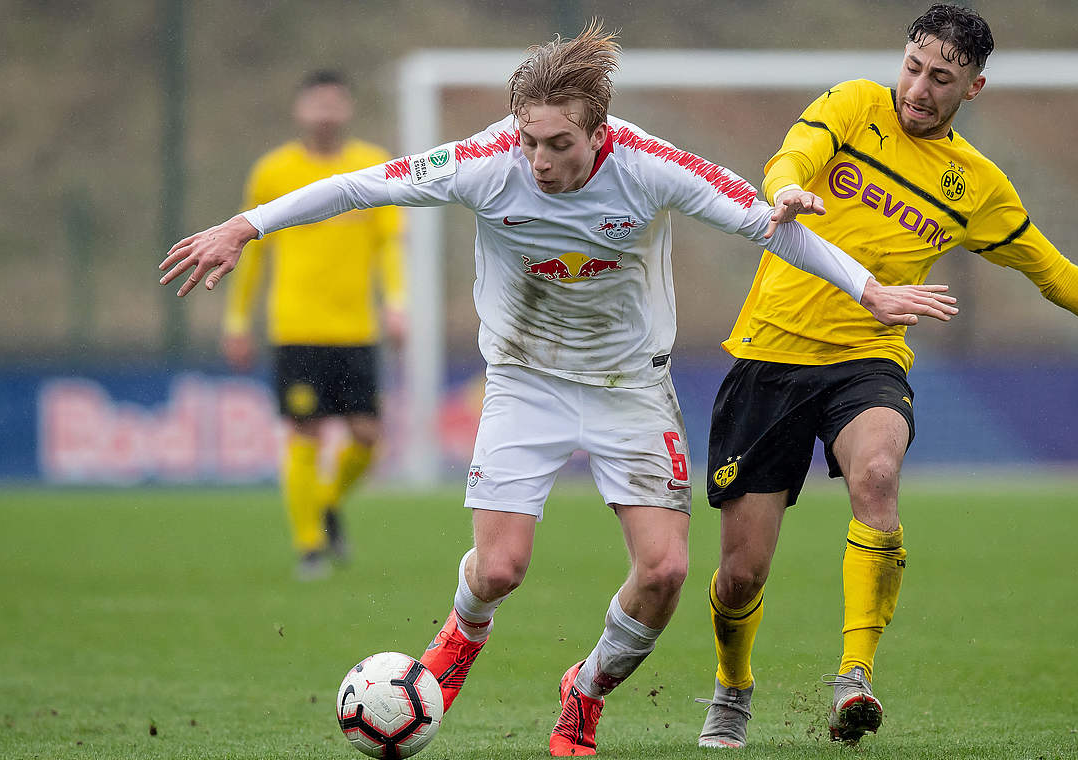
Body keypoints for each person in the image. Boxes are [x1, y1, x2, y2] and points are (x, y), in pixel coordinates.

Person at [159, 22, 958, 757]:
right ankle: (450, 655)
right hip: (524, 381)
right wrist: (246, 225)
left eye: (558, 144)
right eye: (528, 140)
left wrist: (867, 290)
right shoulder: (486, 162)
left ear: (600, 133)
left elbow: (767, 223)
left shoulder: (651, 167)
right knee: (500, 568)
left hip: (630, 388)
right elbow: (364, 186)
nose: (539, 161)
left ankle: (587, 691)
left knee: (667, 573)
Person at [696, 3, 1078, 748]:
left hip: (868, 359)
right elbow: (793, 153)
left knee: (879, 473)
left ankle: (854, 676)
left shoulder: (976, 185)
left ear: (973, 89)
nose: (919, 89)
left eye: (941, 79)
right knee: (741, 578)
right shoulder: (855, 105)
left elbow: (1054, 273)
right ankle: (733, 686)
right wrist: (788, 188)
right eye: (914, 67)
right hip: (769, 357)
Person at [221, 70, 407, 581]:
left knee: (367, 436)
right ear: (300, 110)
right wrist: (237, 319)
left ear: (347, 109)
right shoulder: (274, 171)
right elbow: (250, 252)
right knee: (304, 431)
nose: (325, 112)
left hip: (356, 329)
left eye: (334, 103)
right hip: (296, 328)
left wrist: (397, 302)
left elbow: (389, 243)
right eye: (316, 103)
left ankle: (323, 504)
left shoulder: (371, 166)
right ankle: (308, 546)